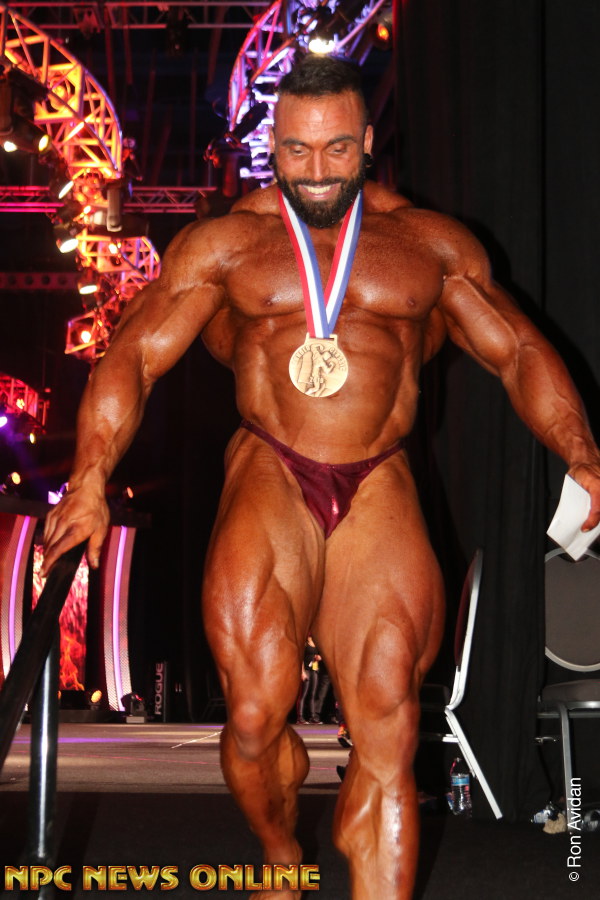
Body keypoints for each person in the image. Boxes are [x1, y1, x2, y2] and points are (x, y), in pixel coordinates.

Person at [42, 54, 600, 900]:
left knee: (390, 718)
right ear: (273, 146)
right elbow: (136, 355)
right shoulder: (229, 243)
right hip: (271, 464)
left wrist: (581, 451)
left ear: (367, 142)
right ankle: (278, 851)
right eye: (297, 151)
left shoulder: (427, 244)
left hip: (378, 478)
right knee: (255, 714)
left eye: (337, 149)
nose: (316, 171)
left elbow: (518, 350)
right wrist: (89, 477)